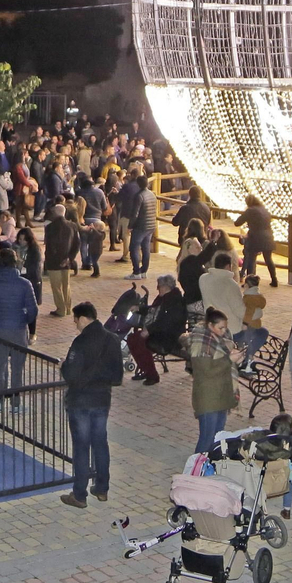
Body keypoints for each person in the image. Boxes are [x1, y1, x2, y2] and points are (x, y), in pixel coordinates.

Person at [58, 302, 124, 509]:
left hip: (80, 401)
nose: (75, 324)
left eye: (75, 320)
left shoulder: (81, 341)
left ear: (82, 318)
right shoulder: (112, 339)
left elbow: (71, 375)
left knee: (81, 447)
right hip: (102, 400)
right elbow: (118, 376)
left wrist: (63, 366)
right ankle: (102, 488)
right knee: (100, 443)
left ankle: (79, 494)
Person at [0, 248, 40, 406]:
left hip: (0, 329)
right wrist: (23, 320)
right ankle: (15, 403)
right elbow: (33, 310)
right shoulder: (25, 284)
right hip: (19, 330)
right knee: (17, 368)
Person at [187, 308, 239, 454]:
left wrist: (236, 358)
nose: (224, 331)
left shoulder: (222, 340)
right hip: (208, 398)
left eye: (225, 327)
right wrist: (229, 360)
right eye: (220, 328)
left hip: (221, 395)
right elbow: (207, 371)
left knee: (217, 438)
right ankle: (197, 466)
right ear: (210, 325)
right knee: (207, 439)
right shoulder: (201, 343)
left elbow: (224, 365)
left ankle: (210, 464)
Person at [126, 275, 187, 386]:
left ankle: (152, 375)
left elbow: (167, 322)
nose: (157, 289)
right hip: (159, 331)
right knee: (132, 339)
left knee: (138, 340)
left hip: (169, 336)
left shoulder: (175, 301)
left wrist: (149, 330)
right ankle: (146, 369)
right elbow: (153, 310)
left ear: (165, 287)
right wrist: (139, 308)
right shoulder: (164, 298)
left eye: (158, 286)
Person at [43, 205, 80, 316]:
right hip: (67, 260)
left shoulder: (50, 227)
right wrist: (69, 258)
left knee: (56, 286)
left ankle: (60, 309)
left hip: (54, 261)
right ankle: (68, 308)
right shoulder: (72, 225)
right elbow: (77, 244)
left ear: (54, 212)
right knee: (66, 285)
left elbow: (50, 245)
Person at [234, 195, 277, 288]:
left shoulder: (250, 210)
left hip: (255, 237)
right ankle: (274, 279)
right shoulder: (264, 210)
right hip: (268, 236)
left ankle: (251, 281)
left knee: (251, 259)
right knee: (268, 259)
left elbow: (237, 223)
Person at [128, 175, 159, 279]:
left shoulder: (139, 196)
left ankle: (136, 272)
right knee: (146, 248)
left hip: (140, 226)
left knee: (134, 248)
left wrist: (130, 226)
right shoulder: (152, 194)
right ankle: (144, 270)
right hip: (151, 225)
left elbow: (135, 214)